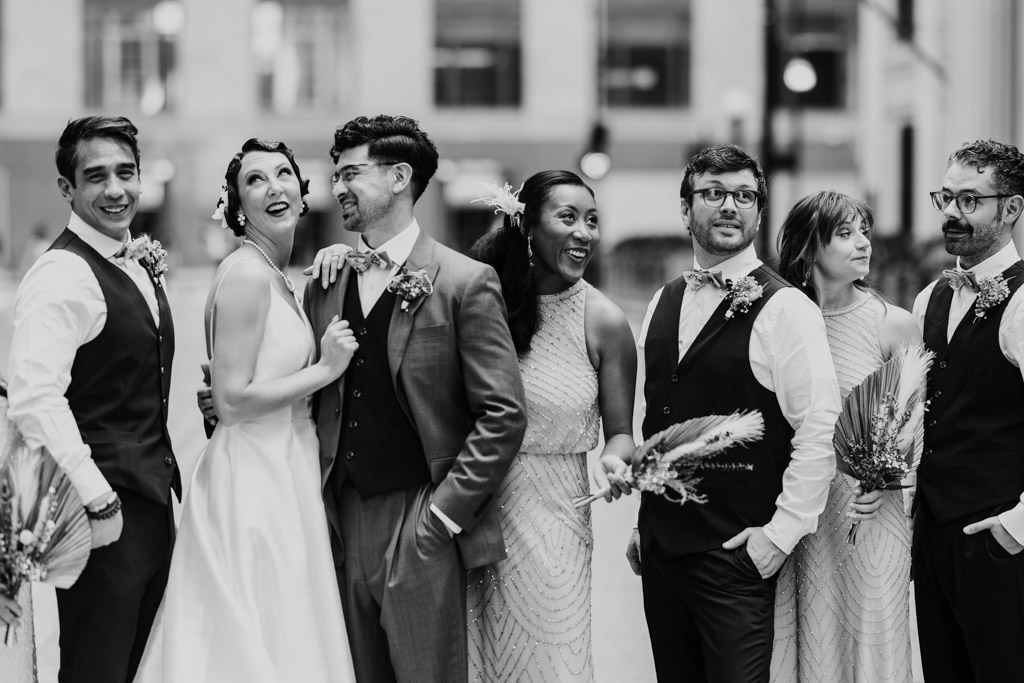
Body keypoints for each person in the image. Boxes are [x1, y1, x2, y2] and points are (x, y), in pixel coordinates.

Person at [594, 143, 841, 683]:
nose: (731, 205)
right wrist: (644, 522)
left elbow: (820, 427)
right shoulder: (661, 301)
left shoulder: (786, 309)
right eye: (714, 193)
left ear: (759, 213)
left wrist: (778, 537)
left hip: (734, 556)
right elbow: (660, 422)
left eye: (745, 196)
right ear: (686, 210)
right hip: (661, 552)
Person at [304, 114, 527, 683]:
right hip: (339, 519)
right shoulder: (324, 283)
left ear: (400, 177)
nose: (338, 187)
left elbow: (503, 414)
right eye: (336, 175)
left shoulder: (464, 282)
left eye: (351, 173)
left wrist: (443, 516)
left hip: (420, 514)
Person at [133, 139, 358, 683]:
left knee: (285, 631)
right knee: (254, 632)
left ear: (303, 194)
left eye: (283, 174)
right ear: (236, 207)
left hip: (283, 466)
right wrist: (325, 369)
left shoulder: (275, 274)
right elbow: (232, 402)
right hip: (254, 479)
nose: (273, 186)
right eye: (255, 180)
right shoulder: (247, 275)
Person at [6, 116, 174, 683]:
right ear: (67, 188)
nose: (115, 189)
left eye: (126, 173)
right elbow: (34, 398)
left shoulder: (135, 259)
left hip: (152, 501)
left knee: (140, 667)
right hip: (99, 512)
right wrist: (98, 499)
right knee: (95, 669)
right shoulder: (62, 273)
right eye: (96, 176)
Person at [457, 170, 637, 682]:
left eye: (592, 220)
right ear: (528, 227)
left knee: (554, 658)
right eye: (568, 217)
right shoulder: (480, 300)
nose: (584, 232)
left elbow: (621, 432)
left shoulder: (605, 321)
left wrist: (614, 459)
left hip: (559, 520)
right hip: (477, 512)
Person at [771, 190, 920, 682]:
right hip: (805, 520)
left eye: (865, 232)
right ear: (808, 248)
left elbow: (915, 427)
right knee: (813, 647)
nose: (863, 243)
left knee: (874, 649)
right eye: (845, 233)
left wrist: (887, 478)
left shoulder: (892, 324)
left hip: (873, 517)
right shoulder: (781, 321)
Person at [911, 139, 1024, 682]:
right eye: (946, 197)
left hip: (998, 541)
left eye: (970, 200)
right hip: (932, 541)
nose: (952, 212)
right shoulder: (927, 299)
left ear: (1012, 209)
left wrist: (1016, 528)